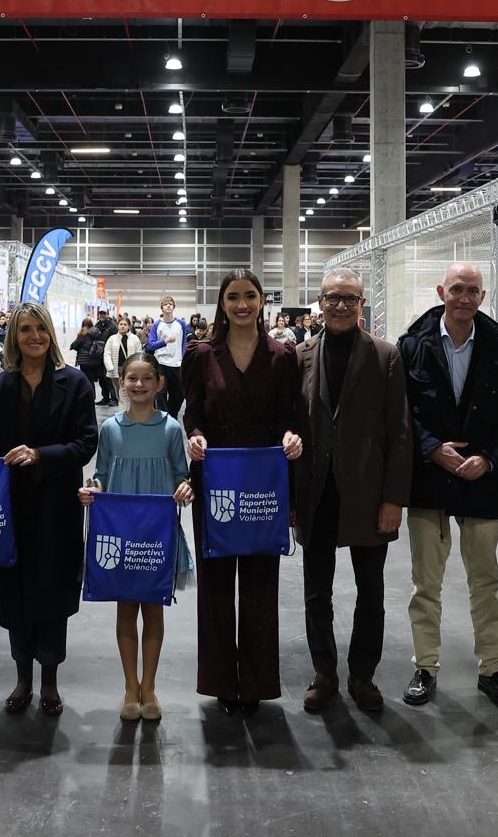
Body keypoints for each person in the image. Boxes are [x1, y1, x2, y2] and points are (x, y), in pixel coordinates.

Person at [395, 261, 498, 711]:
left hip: (482, 483)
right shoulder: (412, 346)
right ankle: (425, 667)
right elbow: (399, 412)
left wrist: (490, 459)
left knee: (485, 582)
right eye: (456, 289)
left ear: (482, 297)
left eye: (472, 291)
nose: (464, 298)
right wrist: (432, 448)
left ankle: (492, 670)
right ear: (442, 292)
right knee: (426, 584)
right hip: (429, 480)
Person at [183, 269, 305, 714]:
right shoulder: (201, 354)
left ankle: (254, 682)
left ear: (261, 301)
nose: (241, 304)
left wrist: (291, 436)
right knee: (215, 583)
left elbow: (291, 415)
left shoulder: (282, 355)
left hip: (262, 482)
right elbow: (192, 413)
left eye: (249, 296)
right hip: (215, 477)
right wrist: (195, 436)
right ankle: (221, 681)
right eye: (233, 296)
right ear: (222, 303)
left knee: (259, 583)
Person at [296, 269, 411, 713]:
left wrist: (393, 499)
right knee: (316, 592)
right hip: (316, 492)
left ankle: (363, 676)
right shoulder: (301, 355)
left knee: (371, 592)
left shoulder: (385, 355)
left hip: (368, 492)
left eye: (350, 298)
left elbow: (400, 431)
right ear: (320, 303)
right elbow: (292, 427)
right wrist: (292, 499)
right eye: (332, 298)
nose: (340, 305)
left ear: (362, 304)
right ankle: (324, 672)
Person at [0, 303, 98, 717]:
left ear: (51, 334)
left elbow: (86, 443)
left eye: (40, 328)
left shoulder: (75, 383)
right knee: (14, 594)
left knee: (53, 593)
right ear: (14, 336)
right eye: (25, 329)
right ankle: (22, 679)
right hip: (9, 507)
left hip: (56, 506)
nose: (34, 336)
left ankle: (49, 681)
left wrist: (40, 455)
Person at [78, 350, 195, 722]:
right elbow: (102, 474)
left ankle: (150, 686)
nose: (139, 384)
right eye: (132, 378)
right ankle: (131, 686)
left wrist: (185, 487)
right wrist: (93, 489)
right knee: (126, 609)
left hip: (157, 534)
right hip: (122, 532)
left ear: (160, 383)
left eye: (147, 378)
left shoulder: (171, 429)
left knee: (154, 608)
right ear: (121, 382)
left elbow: (181, 474)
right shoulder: (111, 429)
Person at [147, 296, 190, 420]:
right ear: (162, 308)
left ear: (174, 307)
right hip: (161, 364)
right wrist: (165, 341)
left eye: (170, 303)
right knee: (160, 394)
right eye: (166, 304)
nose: (168, 305)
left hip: (177, 364)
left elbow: (184, 343)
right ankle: (163, 418)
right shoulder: (157, 324)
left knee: (179, 394)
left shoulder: (181, 324)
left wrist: (184, 357)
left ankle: (172, 416)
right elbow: (151, 345)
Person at [70, 318, 110, 406]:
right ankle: (92, 398)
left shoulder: (83, 334)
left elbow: (74, 345)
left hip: (85, 361)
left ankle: (89, 398)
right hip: (94, 361)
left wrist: (79, 336)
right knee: (91, 380)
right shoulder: (96, 333)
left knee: (86, 381)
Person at [102, 317, 140, 410]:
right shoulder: (112, 339)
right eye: (121, 324)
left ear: (129, 326)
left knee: (128, 390)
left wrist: (137, 367)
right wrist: (110, 367)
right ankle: (123, 409)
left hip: (130, 370)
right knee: (119, 390)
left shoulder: (134, 338)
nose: (123, 326)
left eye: (125, 324)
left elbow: (139, 353)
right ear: (117, 326)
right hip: (116, 369)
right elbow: (107, 353)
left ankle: (128, 409)